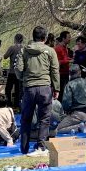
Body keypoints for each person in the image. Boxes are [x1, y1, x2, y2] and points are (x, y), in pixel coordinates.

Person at [20, 26, 60, 154]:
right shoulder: (50, 51)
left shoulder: (24, 50)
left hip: (29, 88)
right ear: (45, 37)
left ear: (33, 36)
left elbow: (19, 68)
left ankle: (24, 147)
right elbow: (55, 70)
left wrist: (23, 78)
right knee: (44, 118)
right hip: (44, 88)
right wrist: (57, 87)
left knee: (26, 118)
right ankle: (41, 146)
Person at [58, 66, 86, 132]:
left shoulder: (70, 84)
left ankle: (80, 127)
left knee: (57, 129)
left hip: (77, 115)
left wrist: (67, 113)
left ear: (70, 74)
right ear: (80, 72)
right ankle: (84, 124)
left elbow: (66, 103)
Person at [2, 33, 25, 110]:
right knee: (18, 90)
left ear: (15, 39)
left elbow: (5, 56)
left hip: (12, 72)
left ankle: (9, 104)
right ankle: (17, 105)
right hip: (21, 73)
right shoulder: (24, 48)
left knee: (8, 89)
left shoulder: (12, 47)